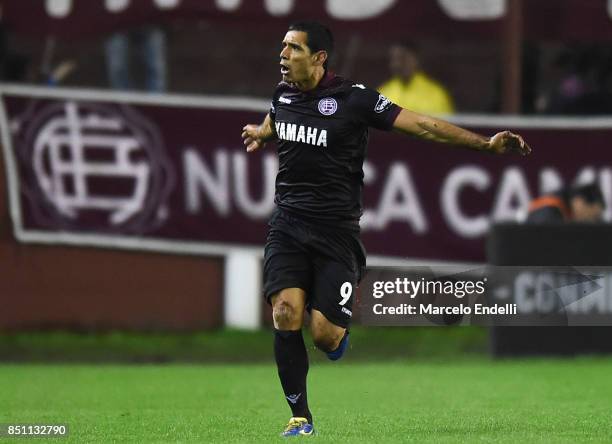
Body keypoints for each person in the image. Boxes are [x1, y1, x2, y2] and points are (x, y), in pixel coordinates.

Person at [241, 21, 530, 437]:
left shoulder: (353, 99)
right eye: (283, 48)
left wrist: (483, 144)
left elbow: (421, 124)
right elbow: (276, 117)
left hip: (336, 232)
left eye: (293, 49)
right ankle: (300, 417)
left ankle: (338, 334)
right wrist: (263, 133)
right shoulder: (282, 94)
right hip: (286, 224)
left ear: (319, 58)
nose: (282, 56)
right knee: (284, 312)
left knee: (324, 335)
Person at [378, 41, 454, 115]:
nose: (398, 64)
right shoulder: (383, 93)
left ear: (416, 59)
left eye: (403, 58)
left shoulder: (435, 94)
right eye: (394, 59)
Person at [526, 183, 605, 223]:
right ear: (579, 202)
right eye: (593, 216)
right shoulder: (548, 211)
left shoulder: (563, 212)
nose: (591, 221)